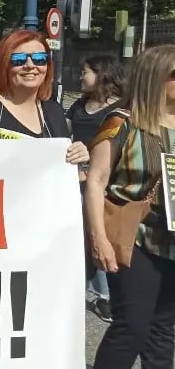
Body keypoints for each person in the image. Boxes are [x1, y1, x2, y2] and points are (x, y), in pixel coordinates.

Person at [85, 45, 175, 369]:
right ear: (154, 78)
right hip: (132, 237)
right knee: (132, 327)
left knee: (163, 332)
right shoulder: (122, 122)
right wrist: (100, 239)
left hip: (172, 241)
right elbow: (96, 181)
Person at [0, 29, 88, 162]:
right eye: (19, 59)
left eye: (39, 59)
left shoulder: (54, 112)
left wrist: (77, 157)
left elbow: (61, 169)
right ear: (4, 65)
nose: (30, 65)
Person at [69, 55, 126, 323]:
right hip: (73, 179)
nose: (81, 76)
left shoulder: (120, 111)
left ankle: (106, 297)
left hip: (101, 183)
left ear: (101, 74)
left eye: (85, 72)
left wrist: (91, 171)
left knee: (99, 235)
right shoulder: (79, 105)